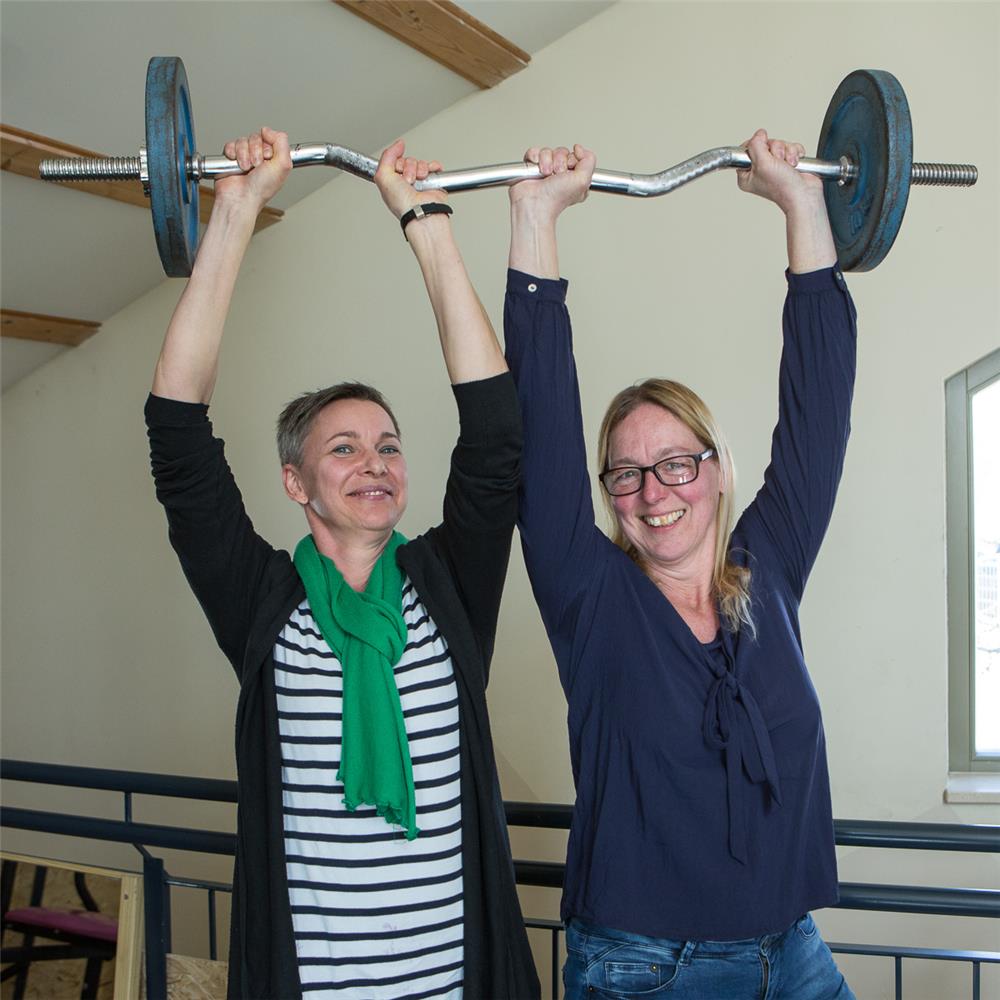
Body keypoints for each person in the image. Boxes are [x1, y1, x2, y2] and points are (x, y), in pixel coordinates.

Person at [146, 127, 539, 999]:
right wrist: (238, 211)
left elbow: (497, 438)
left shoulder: (449, 588)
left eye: (391, 447)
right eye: (345, 449)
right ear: (295, 481)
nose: (376, 464)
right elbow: (177, 439)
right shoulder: (264, 604)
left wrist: (426, 222)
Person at [503, 132, 857, 998]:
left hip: (793, 953)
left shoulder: (765, 569)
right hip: (646, 969)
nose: (652, 490)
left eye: (676, 462)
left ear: (719, 468)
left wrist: (802, 206)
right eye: (624, 471)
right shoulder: (592, 595)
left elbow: (819, 412)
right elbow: (542, 428)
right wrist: (535, 216)